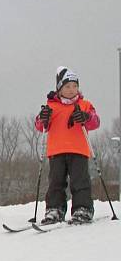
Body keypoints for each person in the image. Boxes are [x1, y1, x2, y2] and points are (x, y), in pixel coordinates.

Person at [35, 66, 100, 224]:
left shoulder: (84, 105)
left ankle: (82, 208)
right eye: (68, 86)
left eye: (75, 86)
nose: (72, 90)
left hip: (78, 150)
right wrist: (43, 118)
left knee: (80, 181)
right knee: (56, 182)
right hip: (56, 151)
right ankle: (54, 209)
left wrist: (85, 117)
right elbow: (40, 125)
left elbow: (95, 121)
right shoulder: (51, 106)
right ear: (59, 89)